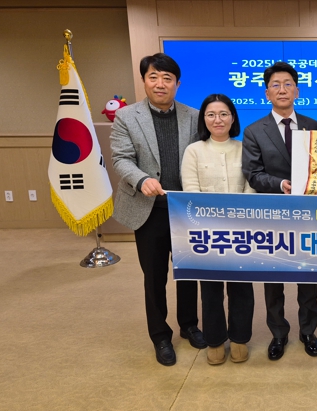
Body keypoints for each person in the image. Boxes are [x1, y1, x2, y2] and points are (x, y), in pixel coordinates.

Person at [110, 53, 206, 366]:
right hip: (147, 209)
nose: (160, 84)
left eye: (167, 78)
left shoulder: (193, 116)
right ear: (144, 81)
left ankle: (189, 324)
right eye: (153, 77)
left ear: (177, 83)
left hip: (184, 209)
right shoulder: (127, 116)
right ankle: (160, 335)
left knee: (188, 272)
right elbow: (121, 158)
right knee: (154, 276)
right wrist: (141, 180)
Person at [241, 62, 317, 361]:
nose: (282, 89)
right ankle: (278, 333)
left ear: (297, 91)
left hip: (308, 213)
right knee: (273, 277)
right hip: (273, 213)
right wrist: (280, 184)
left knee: (308, 275)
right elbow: (253, 174)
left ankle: (308, 331)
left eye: (288, 84)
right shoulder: (254, 130)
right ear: (267, 93)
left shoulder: (314, 126)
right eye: (275, 85)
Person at [181, 94, 255, 365]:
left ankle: (239, 339)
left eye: (224, 114)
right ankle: (214, 340)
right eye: (211, 114)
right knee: (210, 289)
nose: (218, 119)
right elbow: (191, 191)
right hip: (207, 232)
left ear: (233, 118)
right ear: (204, 119)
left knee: (241, 288)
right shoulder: (194, 151)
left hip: (241, 231)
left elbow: (251, 186)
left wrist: (238, 217)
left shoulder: (244, 148)